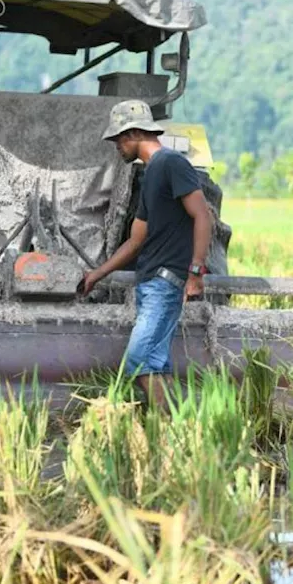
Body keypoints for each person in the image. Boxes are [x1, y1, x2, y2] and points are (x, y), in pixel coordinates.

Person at [78, 99, 213, 408]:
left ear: (134, 132)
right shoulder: (151, 174)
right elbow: (135, 241)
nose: (116, 148)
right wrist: (96, 275)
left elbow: (203, 215)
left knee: (139, 361)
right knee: (153, 363)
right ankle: (176, 432)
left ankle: (170, 431)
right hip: (150, 284)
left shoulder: (171, 163)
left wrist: (195, 272)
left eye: (118, 140)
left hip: (165, 283)